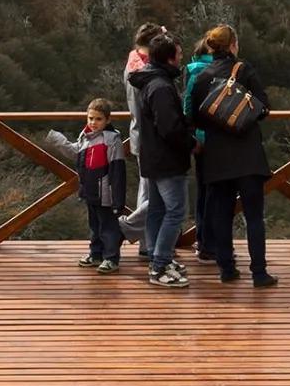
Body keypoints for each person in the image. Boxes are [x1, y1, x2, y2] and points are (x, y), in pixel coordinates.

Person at [190, 24, 277, 288]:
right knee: (253, 216)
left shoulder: (201, 77)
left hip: (216, 155)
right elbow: (264, 107)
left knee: (221, 214)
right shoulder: (244, 70)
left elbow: (194, 118)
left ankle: (226, 269)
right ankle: (259, 273)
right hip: (248, 153)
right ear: (233, 45)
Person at [127, 32, 194, 288]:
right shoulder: (162, 87)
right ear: (169, 57)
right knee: (175, 212)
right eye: (178, 53)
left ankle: (157, 256)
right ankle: (159, 266)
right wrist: (191, 142)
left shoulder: (148, 81)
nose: (181, 57)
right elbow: (169, 128)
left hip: (151, 156)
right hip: (167, 159)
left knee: (156, 209)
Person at [46, 98, 127, 274]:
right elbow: (75, 152)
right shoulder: (85, 136)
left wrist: (118, 199)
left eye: (98, 119)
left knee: (108, 226)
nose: (93, 122)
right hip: (89, 190)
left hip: (106, 192)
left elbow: (118, 170)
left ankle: (111, 258)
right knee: (94, 225)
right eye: (90, 118)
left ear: (107, 120)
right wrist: (57, 139)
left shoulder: (112, 140)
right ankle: (96, 254)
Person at [119, 22, 166, 255]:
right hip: (151, 137)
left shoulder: (132, 63)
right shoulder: (145, 72)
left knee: (146, 191)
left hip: (138, 134)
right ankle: (123, 228)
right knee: (162, 194)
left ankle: (148, 243)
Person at [182, 36, 215, 261]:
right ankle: (211, 244)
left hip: (200, 138)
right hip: (216, 139)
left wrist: (192, 135)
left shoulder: (192, 70)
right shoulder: (217, 70)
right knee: (218, 193)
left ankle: (203, 242)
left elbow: (187, 106)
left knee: (204, 191)